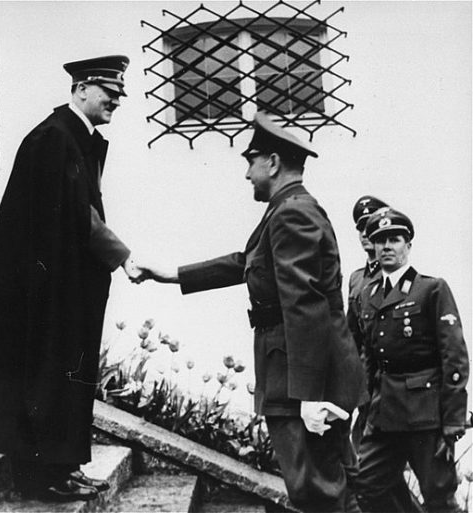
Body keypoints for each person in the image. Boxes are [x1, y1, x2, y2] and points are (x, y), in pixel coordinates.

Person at [136, 112, 365, 512]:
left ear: (272, 162)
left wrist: (308, 397)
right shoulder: (285, 209)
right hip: (298, 370)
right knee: (323, 487)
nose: (247, 175)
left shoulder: (292, 212)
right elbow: (246, 261)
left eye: (250, 162)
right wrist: (172, 274)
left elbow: (304, 303)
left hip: (302, 378)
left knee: (318, 491)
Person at [0, 55, 141, 502]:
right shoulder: (53, 139)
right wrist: (122, 256)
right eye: (108, 91)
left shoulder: (74, 138)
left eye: (119, 93)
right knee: (45, 379)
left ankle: (64, 466)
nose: (116, 101)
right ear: (81, 89)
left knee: (65, 377)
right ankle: (41, 476)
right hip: (42, 294)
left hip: (65, 287)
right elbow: (77, 215)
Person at [354, 207, 469, 513]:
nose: (387, 246)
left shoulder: (431, 289)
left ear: (408, 245)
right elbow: (369, 357)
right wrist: (365, 406)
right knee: (366, 485)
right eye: (380, 240)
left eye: (395, 239)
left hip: (425, 416)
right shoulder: (368, 294)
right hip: (383, 416)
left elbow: (455, 359)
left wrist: (453, 421)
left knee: (439, 498)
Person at [347, 195, 388, 446]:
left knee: (367, 448)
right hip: (353, 375)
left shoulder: (396, 278)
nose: (364, 233)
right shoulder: (356, 278)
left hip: (381, 382)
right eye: (360, 228)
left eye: (370, 227)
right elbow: (349, 332)